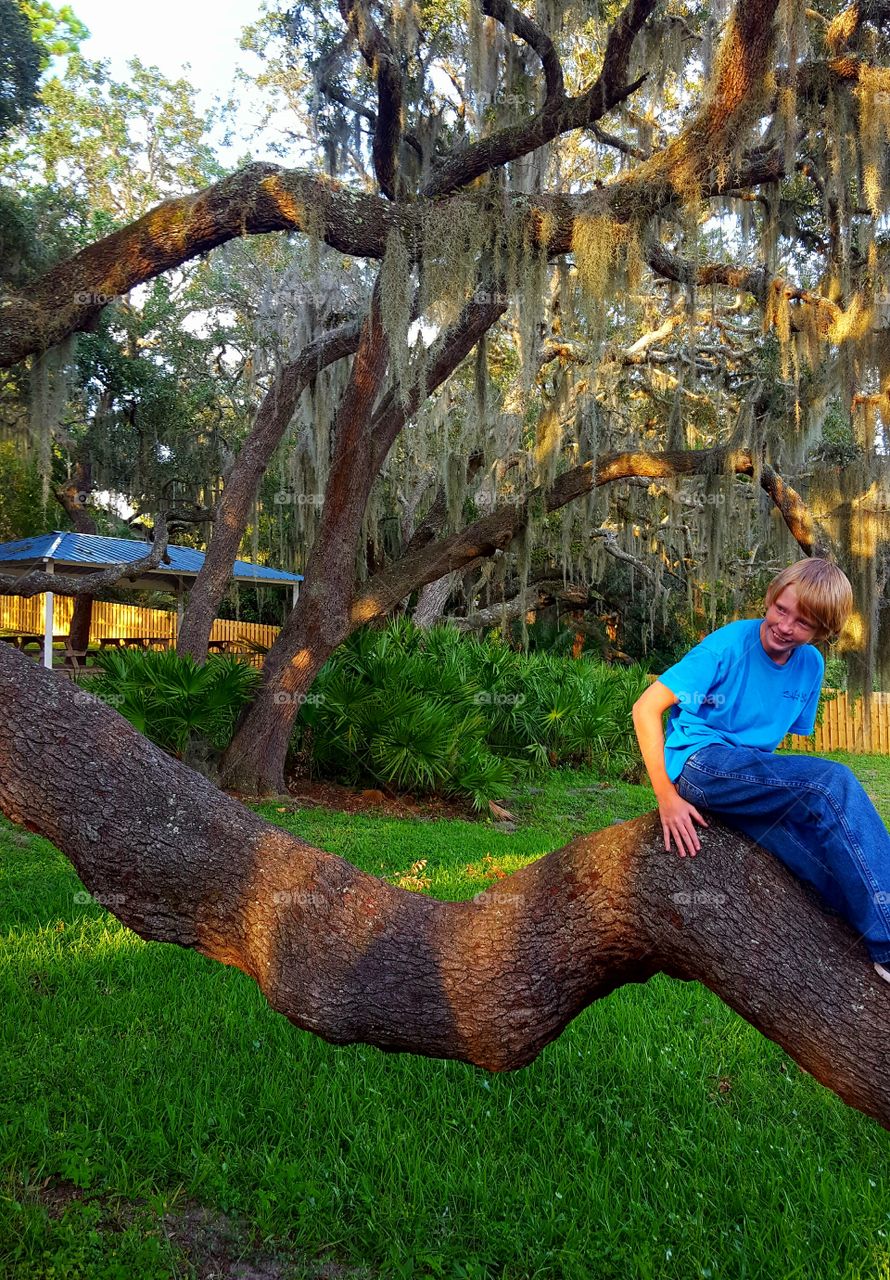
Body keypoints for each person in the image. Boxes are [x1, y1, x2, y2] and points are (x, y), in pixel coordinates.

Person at [632, 558, 890, 986]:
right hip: (701, 764)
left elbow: (769, 745)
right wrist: (666, 796)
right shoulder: (728, 645)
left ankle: (871, 948)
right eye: (781, 610)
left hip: (747, 781)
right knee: (831, 784)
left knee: (822, 859)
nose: (786, 626)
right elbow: (646, 708)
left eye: (803, 623)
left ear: (822, 633)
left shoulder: (810, 666)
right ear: (771, 599)